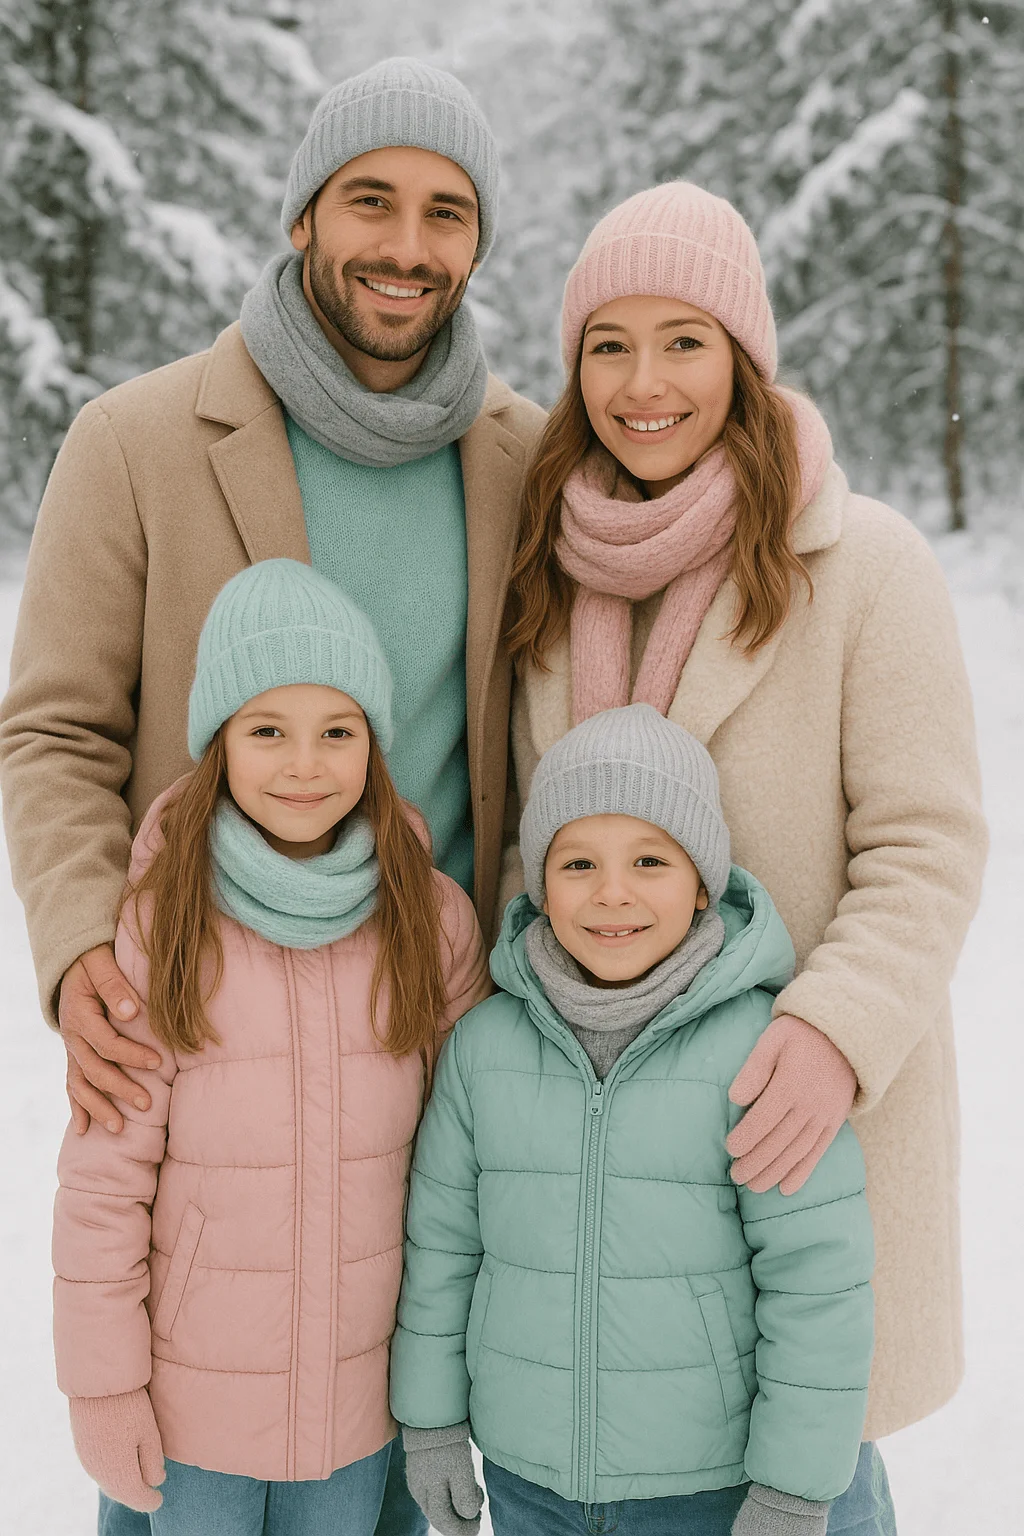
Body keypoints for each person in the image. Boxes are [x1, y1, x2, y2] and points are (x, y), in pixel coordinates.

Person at [1, 58, 542, 1531]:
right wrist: (80, 950)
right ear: (303, 214)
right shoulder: (137, 441)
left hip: (427, 1060)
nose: (407, 245)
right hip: (212, 1048)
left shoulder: (520, 458)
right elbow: (53, 729)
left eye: (446, 213)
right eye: (371, 200)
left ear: (479, 242)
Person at [500, 181, 988, 1527]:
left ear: (744, 357)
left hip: (789, 1137)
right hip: (605, 1174)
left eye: (684, 341)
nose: (643, 383)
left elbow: (927, 839)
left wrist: (836, 1031)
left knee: (802, 1474)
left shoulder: (864, 564)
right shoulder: (545, 568)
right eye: (609, 345)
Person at [52, 558, 490, 1533]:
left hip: (356, 1406)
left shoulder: (429, 922)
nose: (304, 765)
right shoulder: (163, 924)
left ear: (374, 743)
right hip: (191, 1414)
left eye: (337, 731)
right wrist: (104, 1386)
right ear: (218, 744)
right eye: (266, 731)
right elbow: (104, 1181)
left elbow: (471, 1161)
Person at [390, 704, 875, 1536]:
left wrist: (793, 1490)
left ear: (702, 884)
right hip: (528, 1478)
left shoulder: (759, 1053)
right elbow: (440, 1254)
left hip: (705, 1486)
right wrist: (431, 1426)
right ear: (541, 885)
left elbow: (818, 1283)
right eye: (578, 863)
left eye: (650, 860)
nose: (612, 892)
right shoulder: (484, 1048)